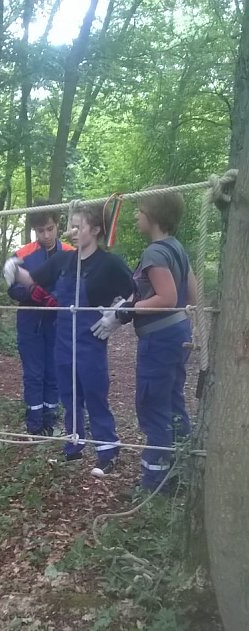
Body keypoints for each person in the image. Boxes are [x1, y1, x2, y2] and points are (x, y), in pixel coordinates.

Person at [4, 202, 133, 474]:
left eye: (78, 226)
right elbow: (32, 279)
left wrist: (119, 315)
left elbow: (136, 291)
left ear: (96, 229)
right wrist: (14, 268)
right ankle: (74, 445)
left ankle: (107, 451)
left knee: (95, 395)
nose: (71, 232)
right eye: (70, 226)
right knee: (69, 394)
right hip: (62, 340)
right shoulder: (64, 260)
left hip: (90, 342)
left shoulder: (109, 263)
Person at [94, 191, 196, 491]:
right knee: (173, 403)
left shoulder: (155, 253)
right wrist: (129, 304)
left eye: (139, 210)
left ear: (153, 215)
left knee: (153, 406)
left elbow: (168, 298)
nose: (136, 215)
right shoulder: (177, 248)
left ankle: (155, 485)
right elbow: (191, 296)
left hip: (160, 340)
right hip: (178, 334)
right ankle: (181, 473)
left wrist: (128, 310)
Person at [7, 202, 72, 435]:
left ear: (57, 226)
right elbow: (11, 287)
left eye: (50, 228)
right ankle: (34, 423)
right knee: (34, 372)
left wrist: (56, 297)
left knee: (54, 370)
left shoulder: (70, 253)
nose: (45, 235)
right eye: (40, 230)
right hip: (30, 321)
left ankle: (50, 420)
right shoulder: (22, 254)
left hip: (59, 322)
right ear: (34, 230)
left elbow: (78, 286)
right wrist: (30, 293)